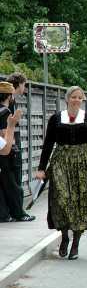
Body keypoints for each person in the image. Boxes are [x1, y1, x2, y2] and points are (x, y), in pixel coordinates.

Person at [35, 86, 87, 259]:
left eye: (79, 97)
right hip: (61, 161)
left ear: (83, 100)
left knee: (80, 202)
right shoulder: (56, 118)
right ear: (67, 99)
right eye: (73, 97)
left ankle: (76, 242)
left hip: (85, 163)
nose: (76, 100)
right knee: (61, 199)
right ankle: (64, 237)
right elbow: (48, 144)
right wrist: (41, 168)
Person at [0, 82, 35, 223]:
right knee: (14, 185)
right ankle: (19, 213)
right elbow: (4, 133)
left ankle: (4, 214)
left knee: (3, 186)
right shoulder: (5, 112)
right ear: (9, 95)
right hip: (6, 153)